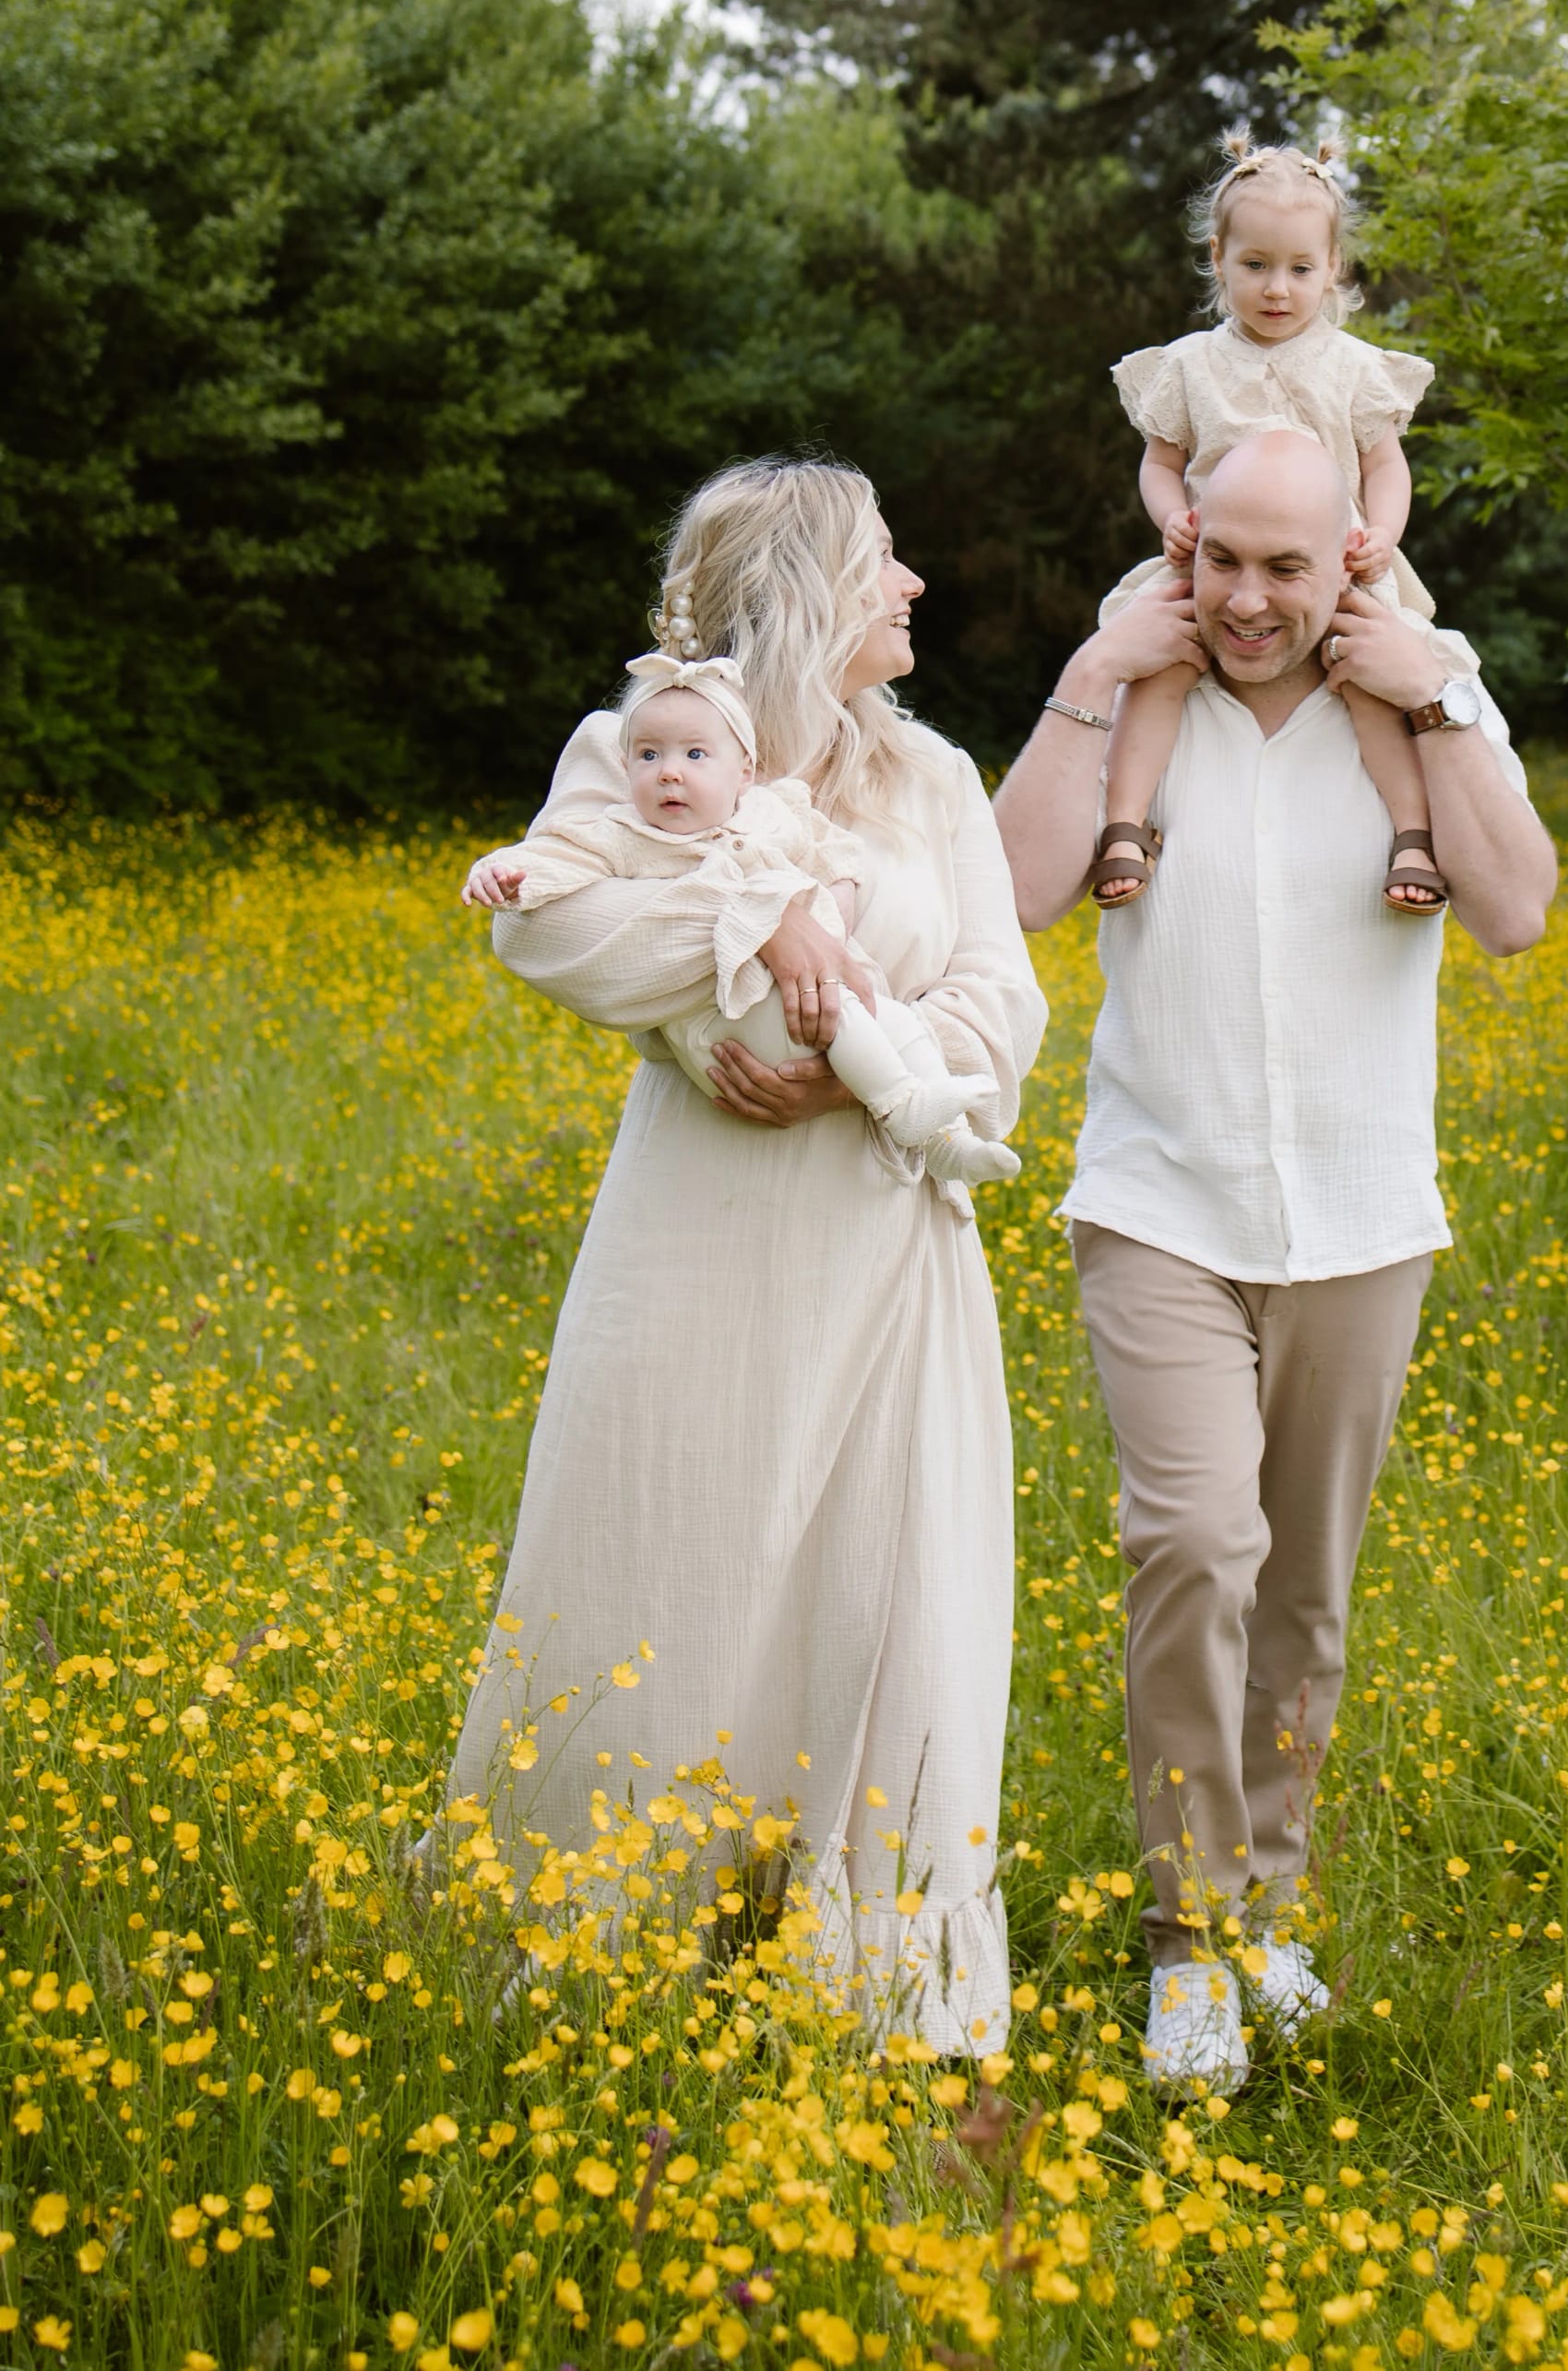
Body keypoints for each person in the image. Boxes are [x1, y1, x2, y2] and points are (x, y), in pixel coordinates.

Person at [445, 459, 1045, 2055]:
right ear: (799, 599)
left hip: (887, 1242)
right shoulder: (640, 745)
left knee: (883, 1583)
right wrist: (742, 965)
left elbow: (1003, 1011)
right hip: (698, 1243)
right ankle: (614, 1959)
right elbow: (552, 927)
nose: (913, 586)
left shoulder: (936, 781)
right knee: (670, 1563)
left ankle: (867, 1991)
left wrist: (856, 1038)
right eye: (884, 561)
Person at [992, 425, 1557, 2087]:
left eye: (1285, 567)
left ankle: (1269, 1915)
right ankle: (1187, 1947)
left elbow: (1515, 909)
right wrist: (1098, 667)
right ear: (1185, 551)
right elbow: (1019, 890)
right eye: (1218, 558)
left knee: (1301, 1593)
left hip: (1363, 1214)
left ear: (1348, 564)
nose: (1246, 597)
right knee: (1192, 1544)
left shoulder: (1418, 695)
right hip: (1160, 1197)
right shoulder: (1131, 686)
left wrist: (1441, 694)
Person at [1089, 136, 1479, 917]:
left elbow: (1385, 467)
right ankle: (1126, 823)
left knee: (1370, 679)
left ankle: (1412, 831)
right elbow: (1161, 464)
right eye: (1256, 265)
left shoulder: (1352, 367)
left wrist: (1384, 535)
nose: (1278, 288)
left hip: (1330, 570)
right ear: (1218, 257)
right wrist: (1175, 520)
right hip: (1215, 566)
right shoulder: (1192, 365)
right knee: (1160, 669)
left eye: (1301, 269)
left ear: (1333, 268)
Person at [464, 647, 1013, 1199]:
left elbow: (831, 849)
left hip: (822, 1007)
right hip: (735, 1030)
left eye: (695, 755)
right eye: (648, 756)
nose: (670, 772)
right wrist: (502, 872)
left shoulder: (771, 812)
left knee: (892, 1022)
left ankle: (947, 1140)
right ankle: (902, 1105)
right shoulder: (626, 834)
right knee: (849, 1011)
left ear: (744, 772)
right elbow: (558, 859)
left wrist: (837, 902)